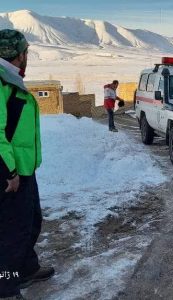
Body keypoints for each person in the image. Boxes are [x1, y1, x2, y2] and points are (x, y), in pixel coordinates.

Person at [0, 29, 54, 300]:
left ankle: (26, 269)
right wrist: (8, 172)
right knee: (11, 232)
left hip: (23, 169)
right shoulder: (1, 81)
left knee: (31, 222)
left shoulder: (10, 78)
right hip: (9, 172)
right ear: (20, 54)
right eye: (26, 52)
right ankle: (5, 287)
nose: (27, 56)